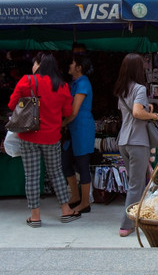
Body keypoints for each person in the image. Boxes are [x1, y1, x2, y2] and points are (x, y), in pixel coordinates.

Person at [8, 52, 79, 228]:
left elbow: (12, 105)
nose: (33, 67)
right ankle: (65, 210)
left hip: (29, 135)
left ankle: (35, 216)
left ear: (39, 64)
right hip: (52, 137)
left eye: (34, 63)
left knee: (31, 176)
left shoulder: (27, 81)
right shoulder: (61, 85)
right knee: (56, 173)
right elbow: (67, 112)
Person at [113, 53, 158, 237]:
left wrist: (146, 109)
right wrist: (154, 116)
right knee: (136, 184)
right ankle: (126, 225)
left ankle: (138, 217)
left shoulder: (122, 89)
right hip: (137, 141)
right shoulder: (140, 88)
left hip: (124, 141)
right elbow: (136, 112)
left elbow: (132, 112)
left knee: (134, 183)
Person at [61, 54, 95, 214]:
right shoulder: (73, 83)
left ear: (79, 67)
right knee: (65, 163)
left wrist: (62, 124)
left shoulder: (83, 83)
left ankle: (85, 202)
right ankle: (75, 196)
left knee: (82, 165)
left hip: (81, 128)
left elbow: (74, 111)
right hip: (72, 129)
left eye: (72, 63)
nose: (69, 65)